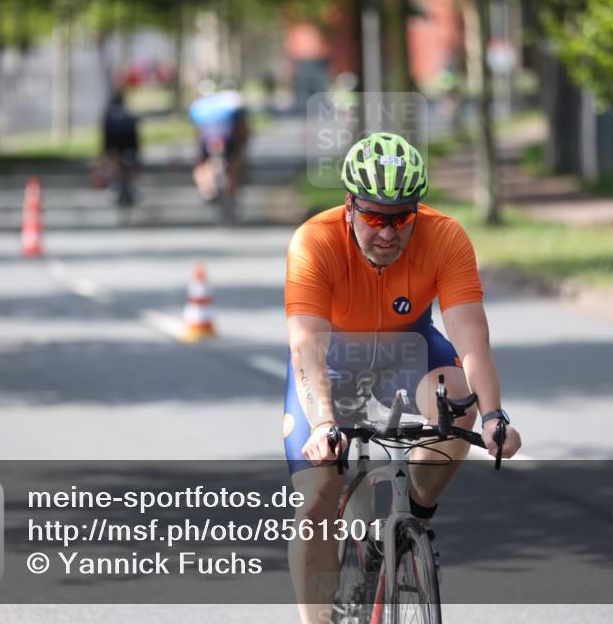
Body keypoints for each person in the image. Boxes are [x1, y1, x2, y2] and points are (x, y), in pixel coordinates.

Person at [283, 132, 522, 622]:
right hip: (331, 362)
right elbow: (306, 345)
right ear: (349, 206)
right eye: (373, 216)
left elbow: (470, 339)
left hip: (409, 350)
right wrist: (325, 423)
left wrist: (496, 415)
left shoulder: (446, 236)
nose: (388, 233)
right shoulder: (315, 240)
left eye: (401, 218)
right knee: (317, 498)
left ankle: (412, 515)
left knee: (458, 401)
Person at [189, 79, 249, 209]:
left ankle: (207, 190)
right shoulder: (230, 102)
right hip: (227, 135)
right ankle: (231, 194)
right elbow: (240, 128)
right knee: (235, 163)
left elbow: (197, 131)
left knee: (201, 164)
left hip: (206, 138)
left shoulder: (197, 106)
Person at [101, 89, 141, 206]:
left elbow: (106, 135)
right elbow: (134, 134)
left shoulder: (109, 116)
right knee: (128, 168)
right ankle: (128, 187)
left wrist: (106, 149)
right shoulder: (129, 115)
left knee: (116, 168)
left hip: (115, 147)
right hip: (128, 146)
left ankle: (118, 187)